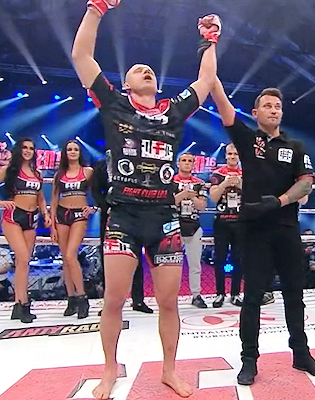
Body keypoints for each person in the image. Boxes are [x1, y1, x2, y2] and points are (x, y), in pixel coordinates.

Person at [71, 1, 219, 397]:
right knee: (114, 300)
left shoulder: (173, 111)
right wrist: (97, 9)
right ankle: (108, 370)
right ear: (126, 84)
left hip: (164, 217)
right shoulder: (114, 103)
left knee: (169, 302)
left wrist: (209, 41)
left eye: (150, 69)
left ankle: (169, 370)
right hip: (123, 216)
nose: (146, 70)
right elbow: (81, 56)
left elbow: (206, 81)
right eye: (138, 69)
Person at [210, 79, 315, 385]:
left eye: (278, 106)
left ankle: (301, 353)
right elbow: (223, 105)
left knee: (294, 293)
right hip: (253, 230)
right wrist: (210, 73)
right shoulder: (248, 140)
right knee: (252, 296)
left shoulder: (295, 146)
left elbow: (307, 183)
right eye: (267, 105)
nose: (274, 110)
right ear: (255, 112)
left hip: (287, 227)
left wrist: (278, 201)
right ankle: (249, 359)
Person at [0, 138, 52, 323]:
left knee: (24, 262)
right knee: (22, 257)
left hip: (32, 217)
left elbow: (40, 197)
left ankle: (18, 306)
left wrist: (45, 213)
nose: (28, 151)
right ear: (19, 150)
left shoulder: (37, 173)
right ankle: (23, 303)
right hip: (13, 216)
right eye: (25, 147)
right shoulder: (10, 170)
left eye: (31, 148)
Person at [91, 158, 152, 316]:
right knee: (108, 259)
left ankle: (138, 300)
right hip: (110, 215)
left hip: (134, 215)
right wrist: (106, 206)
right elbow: (95, 190)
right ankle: (109, 303)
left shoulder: (135, 163)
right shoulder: (102, 165)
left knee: (136, 256)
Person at [50, 139, 95, 319]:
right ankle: (71, 299)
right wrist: (52, 224)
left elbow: (98, 191)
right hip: (62, 214)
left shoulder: (88, 171)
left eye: (76, 149)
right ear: (65, 152)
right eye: (69, 149)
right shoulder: (59, 174)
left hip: (79, 215)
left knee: (70, 255)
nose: (73, 152)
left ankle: (83, 298)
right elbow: (54, 199)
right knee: (65, 259)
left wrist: (93, 207)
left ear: (80, 152)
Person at [209, 143, 244, 307]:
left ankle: (236, 293)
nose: (232, 157)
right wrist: (224, 184)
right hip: (222, 221)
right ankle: (220, 293)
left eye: (235, 154)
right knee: (220, 258)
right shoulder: (217, 173)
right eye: (230, 154)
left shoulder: (247, 173)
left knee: (239, 258)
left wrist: (240, 184)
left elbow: (254, 195)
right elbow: (213, 197)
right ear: (225, 155)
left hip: (241, 221)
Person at [172, 153, 208, 308]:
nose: (187, 163)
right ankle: (170, 296)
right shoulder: (170, 181)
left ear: (194, 164)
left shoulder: (200, 183)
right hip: (174, 226)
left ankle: (196, 295)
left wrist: (192, 197)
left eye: (190, 161)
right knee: (172, 265)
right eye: (184, 160)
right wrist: (184, 194)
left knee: (195, 264)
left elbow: (203, 206)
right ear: (178, 163)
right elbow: (168, 203)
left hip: (194, 226)